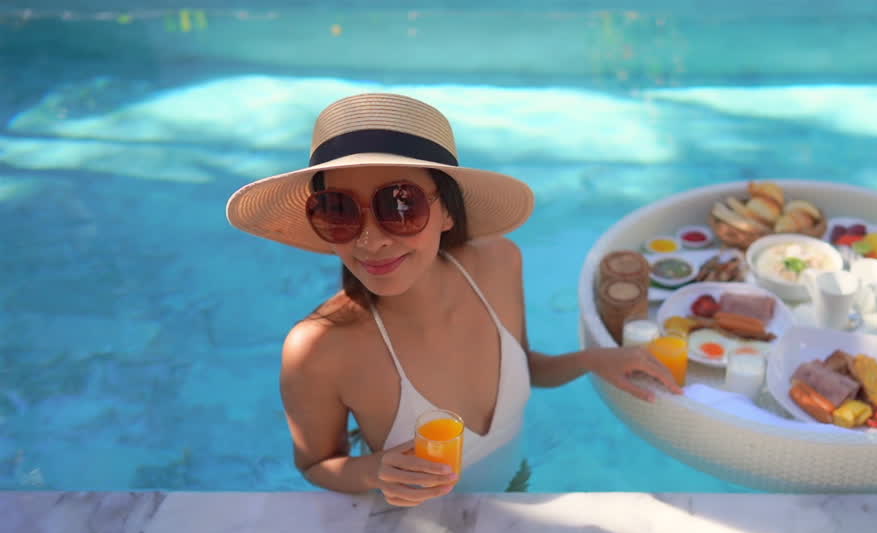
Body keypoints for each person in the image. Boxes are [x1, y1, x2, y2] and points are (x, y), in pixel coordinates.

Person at [226, 93, 680, 506]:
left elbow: (525, 366)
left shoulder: (498, 262)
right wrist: (372, 470)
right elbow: (314, 465)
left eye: (400, 205)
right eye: (339, 210)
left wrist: (592, 361)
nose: (371, 241)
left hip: (515, 491)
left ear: (445, 209)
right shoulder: (320, 348)